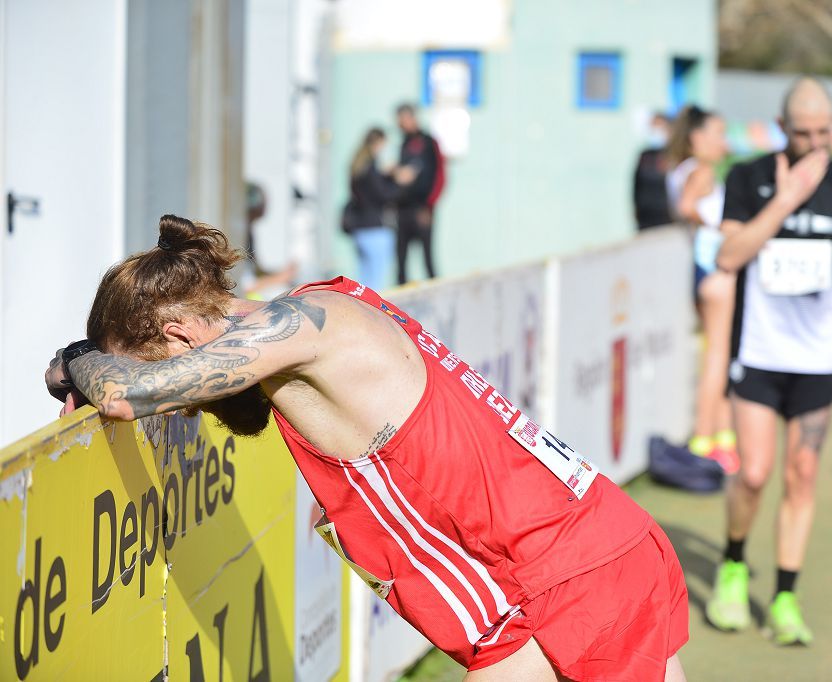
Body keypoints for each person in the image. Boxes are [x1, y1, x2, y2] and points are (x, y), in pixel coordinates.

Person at [43, 215, 689, 681]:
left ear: (178, 333)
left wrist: (80, 362)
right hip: (595, 550)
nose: (180, 408)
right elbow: (235, 410)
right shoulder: (313, 321)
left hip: (563, 582)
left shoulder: (296, 327)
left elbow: (129, 396)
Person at [706, 77, 832, 646]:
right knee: (753, 475)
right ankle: (733, 566)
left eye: (823, 132)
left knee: (801, 476)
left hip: (815, 362)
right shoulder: (749, 178)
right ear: (783, 129)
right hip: (757, 356)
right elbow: (728, 257)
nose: (814, 143)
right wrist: (784, 200)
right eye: (802, 132)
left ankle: (784, 596)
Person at [664, 106, 738, 474]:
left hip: (698, 269)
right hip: (714, 270)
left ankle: (723, 439)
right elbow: (687, 207)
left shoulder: (680, 170)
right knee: (717, 358)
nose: (725, 142)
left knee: (718, 355)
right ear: (698, 138)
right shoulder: (702, 171)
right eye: (719, 133)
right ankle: (704, 442)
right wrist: (724, 230)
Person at [343, 127, 415, 292]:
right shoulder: (370, 168)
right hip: (375, 228)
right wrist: (400, 182)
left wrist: (386, 175)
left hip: (360, 229)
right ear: (378, 144)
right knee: (375, 287)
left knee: (361, 285)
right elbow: (384, 196)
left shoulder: (358, 167)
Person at [395, 103, 445, 285]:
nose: (400, 125)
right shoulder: (403, 144)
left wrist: (429, 206)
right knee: (401, 260)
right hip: (403, 210)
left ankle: (437, 293)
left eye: (403, 120)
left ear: (412, 118)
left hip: (422, 210)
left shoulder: (429, 142)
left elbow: (440, 176)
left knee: (428, 259)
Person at [632, 112, 674, 230]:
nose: (655, 131)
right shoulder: (645, 155)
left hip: (666, 216)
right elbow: (636, 184)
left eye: (659, 126)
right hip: (646, 215)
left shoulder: (674, 155)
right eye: (653, 127)